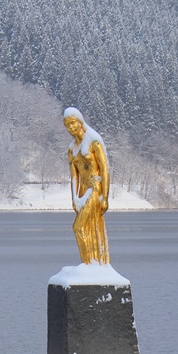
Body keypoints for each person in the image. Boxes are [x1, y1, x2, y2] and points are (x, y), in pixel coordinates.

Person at [63, 107, 110, 265]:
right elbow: (74, 176)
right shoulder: (71, 149)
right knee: (85, 228)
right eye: (67, 125)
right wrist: (74, 198)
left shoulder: (93, 140)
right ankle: (89, 263)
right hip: (83, 190)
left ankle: (90, 264)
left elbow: (105, 168)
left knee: (78, 227)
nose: (71, 128)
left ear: (80, 121)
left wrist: (105, 197)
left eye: (73, 123)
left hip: (95, 188)